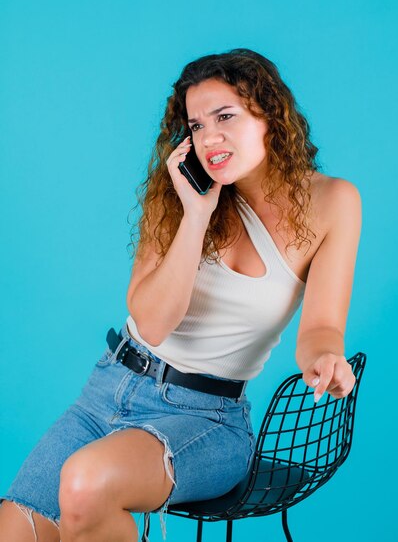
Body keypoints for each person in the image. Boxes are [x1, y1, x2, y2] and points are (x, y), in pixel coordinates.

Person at [0, 48, 361, 542]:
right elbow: (150, 324)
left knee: (86, 484)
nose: (209, 137)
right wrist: (196, 215)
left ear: (269, 115)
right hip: (109, 392)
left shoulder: (333, 202)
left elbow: (322, 327)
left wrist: (326, 358)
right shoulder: (174, 198)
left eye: (225, 117)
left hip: (205, 418)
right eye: (196, 125)